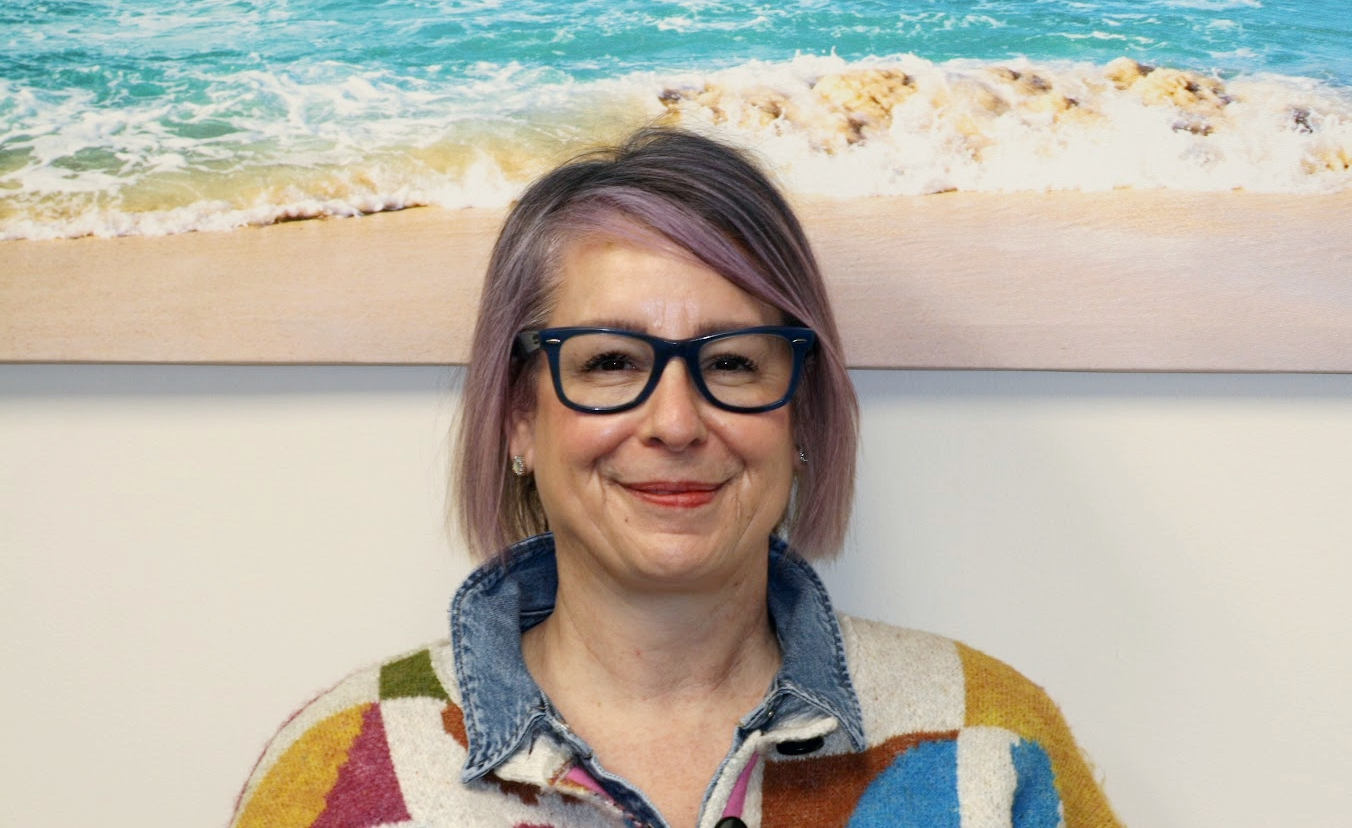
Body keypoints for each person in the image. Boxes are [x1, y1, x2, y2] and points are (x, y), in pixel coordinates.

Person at [229, 128, 1124, 828]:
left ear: (798, 416)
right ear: (516, 418)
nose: (675, 422)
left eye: (732, 364)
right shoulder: (347, 762)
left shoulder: (987, 740)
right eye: (612, 361)